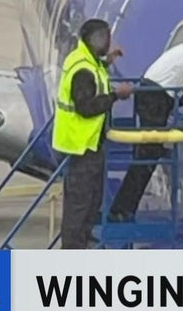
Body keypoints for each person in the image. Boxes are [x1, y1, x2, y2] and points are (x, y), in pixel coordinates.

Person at [108, 37, 183, 222]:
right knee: (147, 157)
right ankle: (121, 210)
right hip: (156, 96)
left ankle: (122, 209)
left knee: (147, 154)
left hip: (151, 90)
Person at [53, 19, 133, 249]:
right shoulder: (83, 71)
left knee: (92, 201)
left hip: (90, 146)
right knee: (79, 207)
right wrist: (117, 96)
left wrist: (108, 61)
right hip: (81, 147)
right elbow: (86, 107)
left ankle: (82, 246)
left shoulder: (86, 60)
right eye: (103, 38)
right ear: (92, 39)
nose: (107, 42)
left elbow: (96, 71)